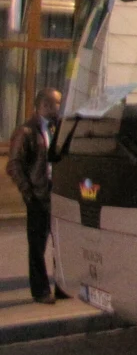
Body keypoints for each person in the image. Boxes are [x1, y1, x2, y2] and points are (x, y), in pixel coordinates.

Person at [7, 88, 63, 305]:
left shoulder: (57, 127)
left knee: (61, 244)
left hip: (58, 195)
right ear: (45, 105)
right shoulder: (26, 131)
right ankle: (40, 291)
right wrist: (28, 192)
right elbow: (14, 165)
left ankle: (63, 287)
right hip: (38, 197)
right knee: (38, 247)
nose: (59, 107)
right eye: (57, 103)